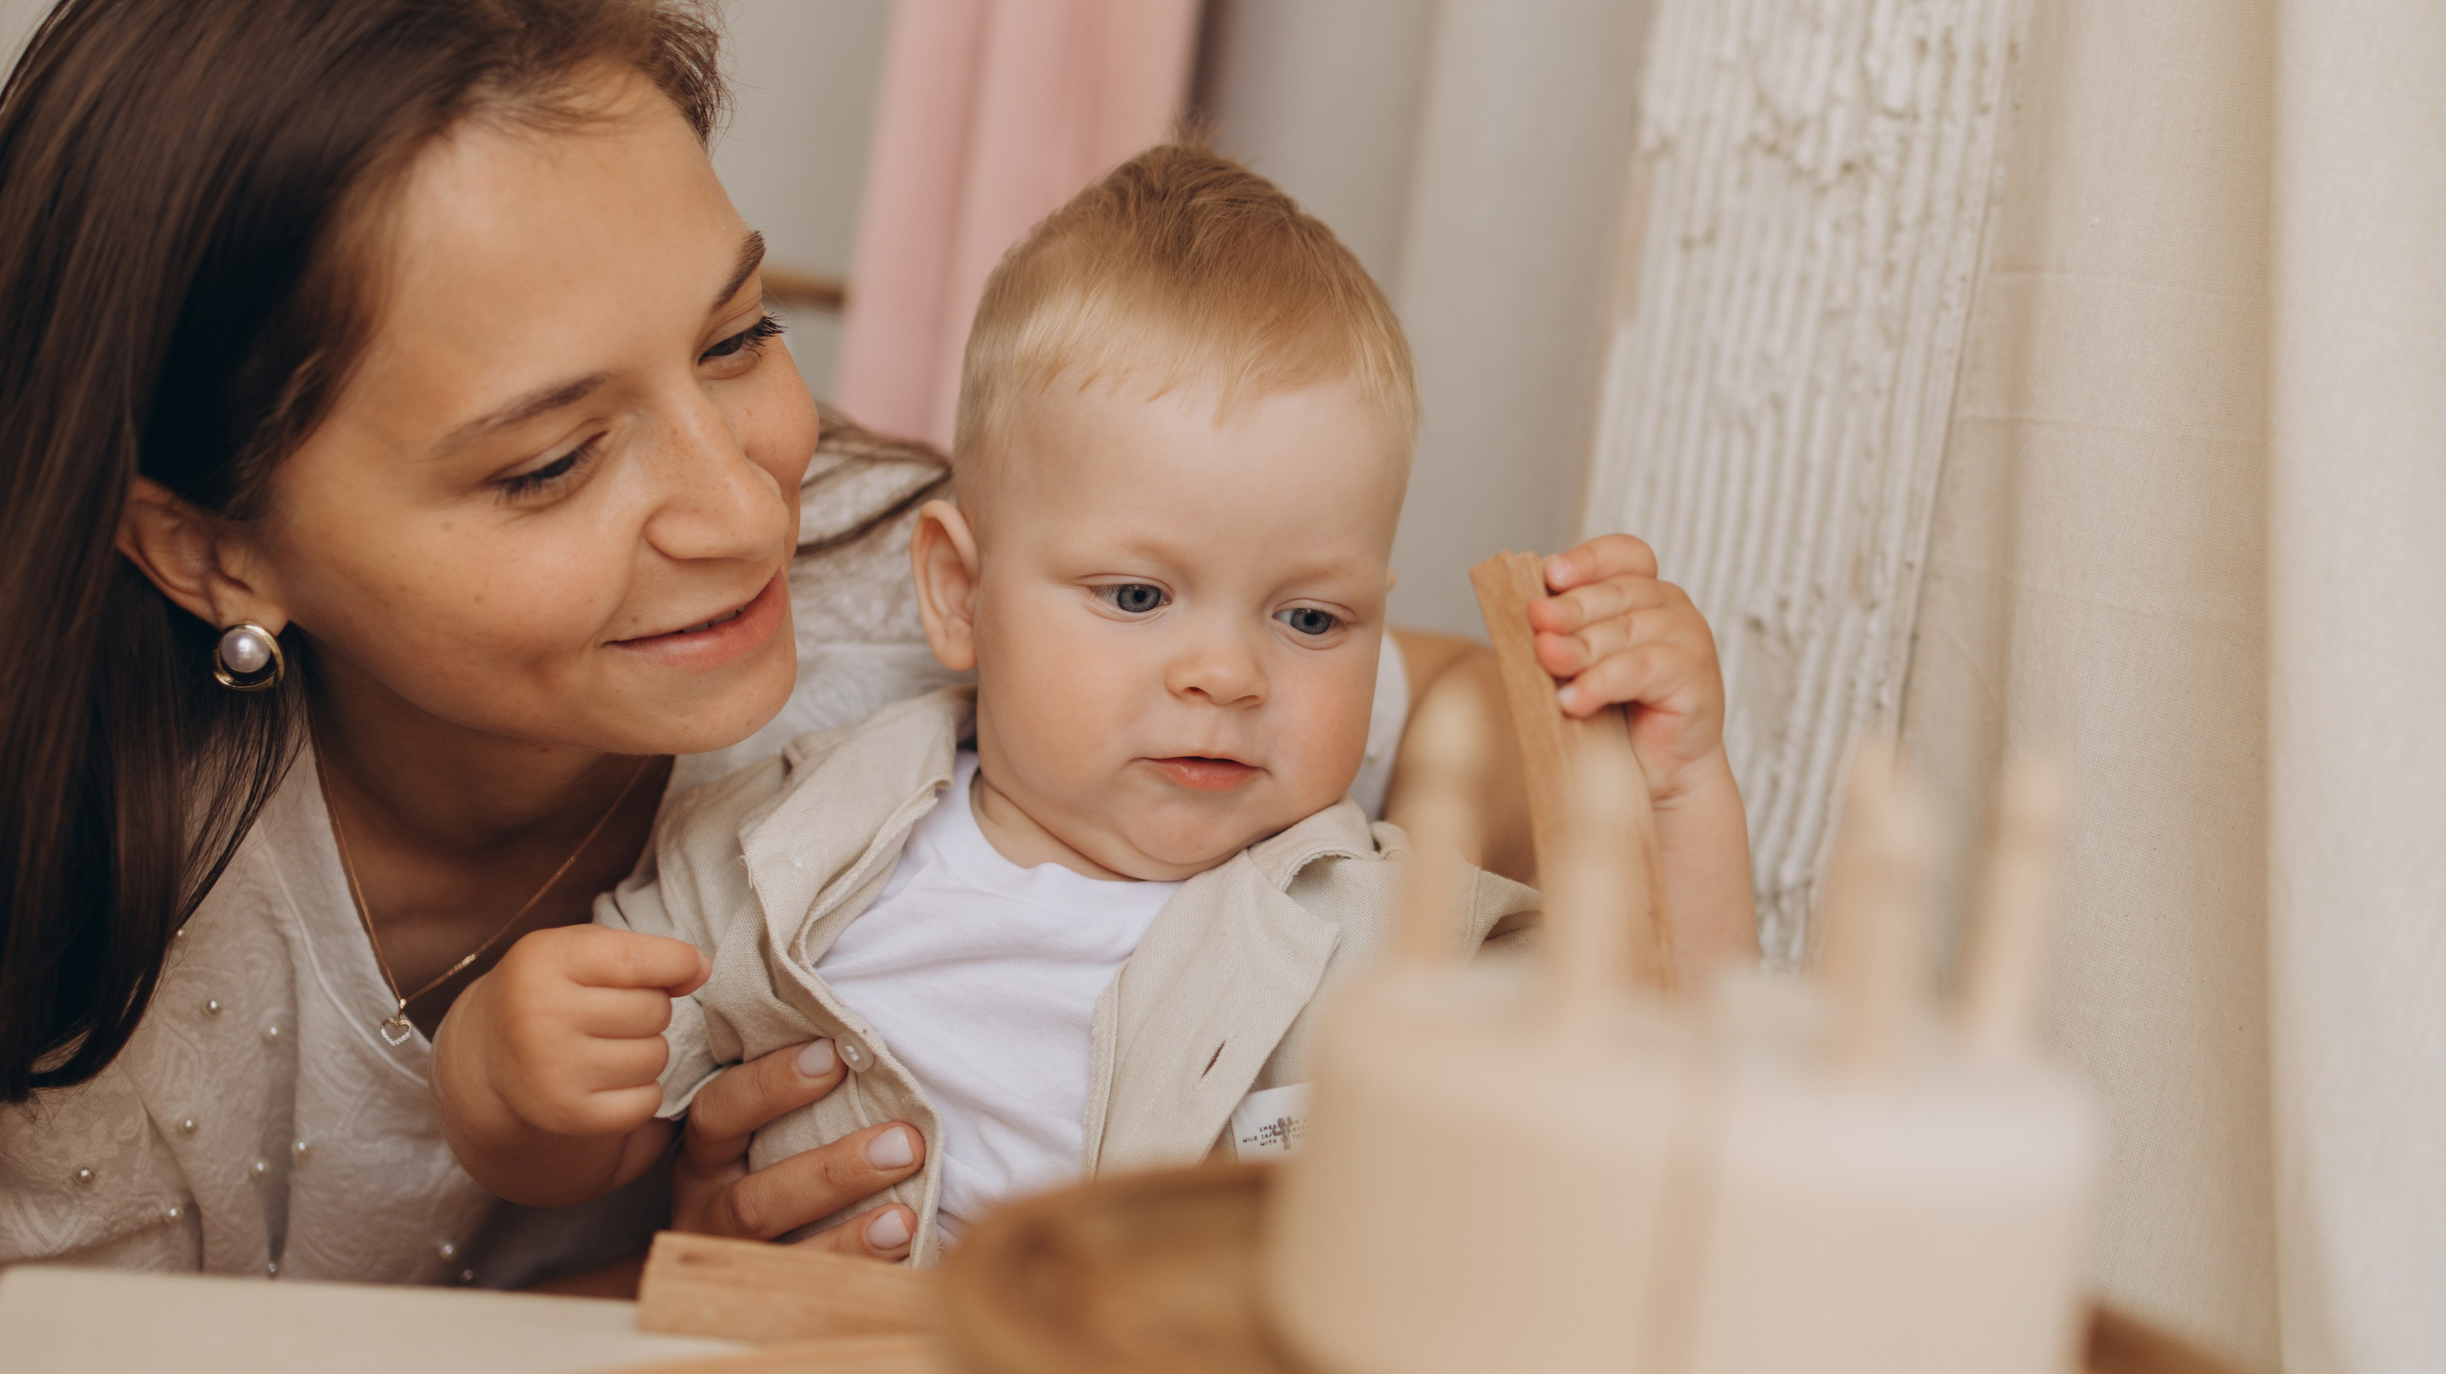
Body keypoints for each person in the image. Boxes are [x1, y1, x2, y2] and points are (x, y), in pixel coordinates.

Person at [0, 0, 1750, 1374]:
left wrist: (1644, 747)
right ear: (212, 550)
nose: (740, 506)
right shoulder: (113, 964)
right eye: (549, 463)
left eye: (738, 336)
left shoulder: (917, 610)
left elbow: (1475, 724)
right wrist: (677, 1281)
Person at [433, 145, 1702, 1259]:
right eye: (1137, 597)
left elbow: (1669, 1063)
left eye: (1311, 620)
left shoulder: (1376, 932)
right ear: (959, 594)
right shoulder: (782, 852)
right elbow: (595, 1151)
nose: (1228, 675)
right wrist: (506, 1084)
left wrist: (1677, 790)